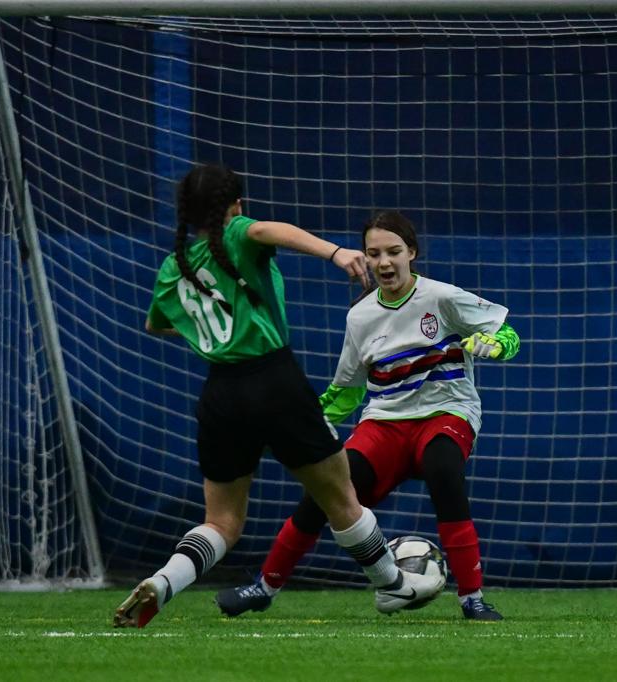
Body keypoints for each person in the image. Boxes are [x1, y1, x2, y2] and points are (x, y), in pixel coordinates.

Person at [113, 166, 444, 628]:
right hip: (273, 381)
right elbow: (270, 230)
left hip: (220, 395)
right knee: (341, 497)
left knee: (222, 522)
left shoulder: (175, 267)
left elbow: (156, 324)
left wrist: (213, 333)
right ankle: (392, 586)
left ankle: (165, 582)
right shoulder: (238, 233)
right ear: (234, 206)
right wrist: (335, 253)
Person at [215, 210, 520, 621]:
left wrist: (497, 344)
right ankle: (264, 587)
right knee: (325, 492)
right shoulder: (359, 316)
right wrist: (300, 421)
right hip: (384, 422)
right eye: (374, 253)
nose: (384, 262)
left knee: (443, 468)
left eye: (394, 252)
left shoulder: (442, 297)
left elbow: (505, 330)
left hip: (446, 413)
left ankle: (472, 598)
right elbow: (347, 390)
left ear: (411, 252)